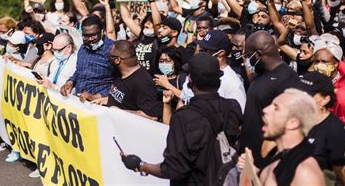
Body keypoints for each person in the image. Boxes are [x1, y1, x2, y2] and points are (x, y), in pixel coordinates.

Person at [120, 53, 243, 185]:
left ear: (190, 81)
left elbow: (172, 169)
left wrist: (140, 165)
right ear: (218, 81)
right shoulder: (233, 107)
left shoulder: (184, 117)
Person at [239, 88, 324, 186]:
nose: (265, 110)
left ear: (293, 123)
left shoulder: (305, 172)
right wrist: (252, 171)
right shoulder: (276, 153)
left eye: (276, 108)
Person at [239, 30, 300, 167]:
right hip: (248, 160)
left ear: (259, 55)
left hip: (265, 163)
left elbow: (286, 126)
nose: (247, 60)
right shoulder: (261, 75)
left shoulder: (287, 79)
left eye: (248, 56)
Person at [89, 40, 162, 120]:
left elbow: (152, 116)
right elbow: (121, 101)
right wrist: (103, 100)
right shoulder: (119, 73)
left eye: (110, 56)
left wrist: (121, 112)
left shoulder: (142, 82)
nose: (108, 58)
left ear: (117, 60)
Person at [299, 72, 345, 181]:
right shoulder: (295, 119)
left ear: (325, 100)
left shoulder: (336, 130)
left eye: (307, 95)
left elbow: (344, 176)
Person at [180, 30, 247, 112]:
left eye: (206, 50)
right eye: (201, 49)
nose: (201, 52)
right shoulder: (195, 72)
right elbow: (182, 103)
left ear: (221, 53)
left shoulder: (232, 83)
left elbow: (238, 117)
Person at [60, 15, 114, 100]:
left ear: (102, 32)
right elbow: (79, 71)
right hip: (79, 100)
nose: (90, 39)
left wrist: (96, 96)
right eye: (86, 36)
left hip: (100, 105)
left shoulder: (113, 50)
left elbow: (121, 83)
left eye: (93, 35)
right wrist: (70, 82)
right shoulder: (83, 48)